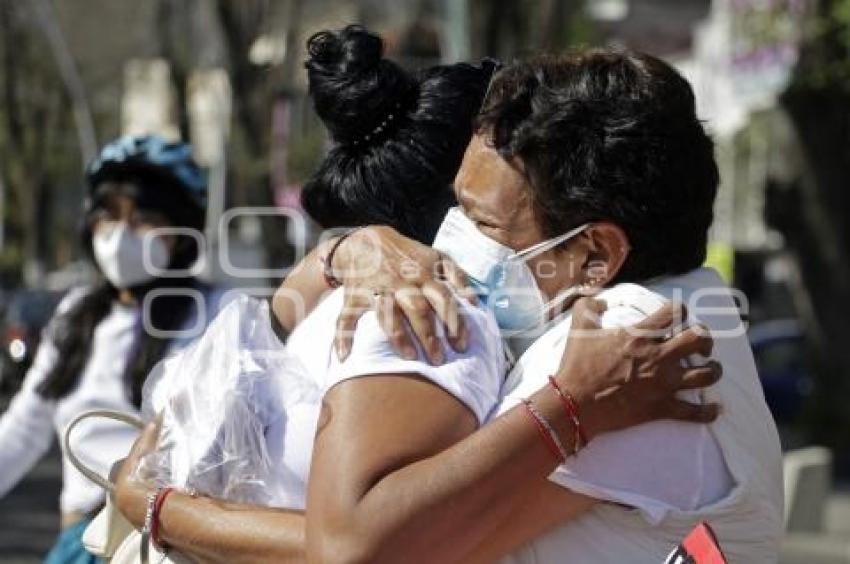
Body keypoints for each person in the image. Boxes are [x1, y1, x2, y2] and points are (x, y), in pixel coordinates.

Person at [113, 27, 721, 564]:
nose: (456, 244)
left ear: (596, 256)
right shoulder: (432, 314)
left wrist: (154, 505)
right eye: (458, 209)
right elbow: (356, 547)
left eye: (480, 220)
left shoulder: (631, 345)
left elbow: (356, 545)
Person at [0, 135, 222, 563]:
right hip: (77, 546)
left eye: (144, 218)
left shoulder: (217, 313)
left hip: (167, 549)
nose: (122, 233)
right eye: (109, 215)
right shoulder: (75, 314)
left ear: (181, 231)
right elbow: (23, 429)